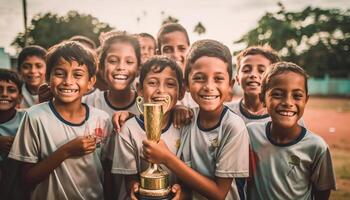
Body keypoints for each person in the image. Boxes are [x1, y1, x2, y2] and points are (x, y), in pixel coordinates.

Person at [142, 39, 250, 200]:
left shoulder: (233, 126)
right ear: (185, 84)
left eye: (218, 79)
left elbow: (219, 194)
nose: (209, 86)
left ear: (230, 85)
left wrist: (167, 158)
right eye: (199, 78)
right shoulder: (186, 118)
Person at [8, 41, 113, 200]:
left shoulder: (102, 119)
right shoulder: (35, 117)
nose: (68, 81)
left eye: (77, 74)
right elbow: (26, 179)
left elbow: (107, 173)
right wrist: (67, 151)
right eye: (59, 73)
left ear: (91, 82)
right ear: (48, 78)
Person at [246, 62, 336, 200]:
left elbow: (322, 192)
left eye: (297, 96)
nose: (288, 102)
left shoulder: (316, 147)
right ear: (263, 99)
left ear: (306, 99)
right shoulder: (251, 134)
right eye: (277, 94)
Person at [109, 56, 185, 199]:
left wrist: (183, 191)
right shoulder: (128, 129)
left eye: (170, 84)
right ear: (139, 89)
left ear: (181, 92)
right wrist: (134, 186)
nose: (160, 90)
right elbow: (129, 179)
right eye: (152, 83)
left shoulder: (185, 126)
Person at [83, 31, 140, 117]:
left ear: (138, 68)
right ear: (101, 67)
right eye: (113, 61)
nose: (121, 67)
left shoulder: (147, 105)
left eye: (129, 62)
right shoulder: (88, 103)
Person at [226, 45, 280, 124]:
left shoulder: (285, 116)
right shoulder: (225, 112)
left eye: (261, 71)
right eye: (246, 70)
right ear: (237, 78)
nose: (253, 74)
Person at [157, 23, 197, 108]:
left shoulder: (198, 84)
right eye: (167, 49)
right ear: (158, 54)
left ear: (190, 51)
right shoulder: (154, 87)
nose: (175, 55)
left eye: (182, 48)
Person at [0, 69, 26, 199]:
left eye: (11, 90)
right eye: (0, 89)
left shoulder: (27, 119)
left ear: (20, 98)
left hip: (18, 185)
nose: (4, 94)